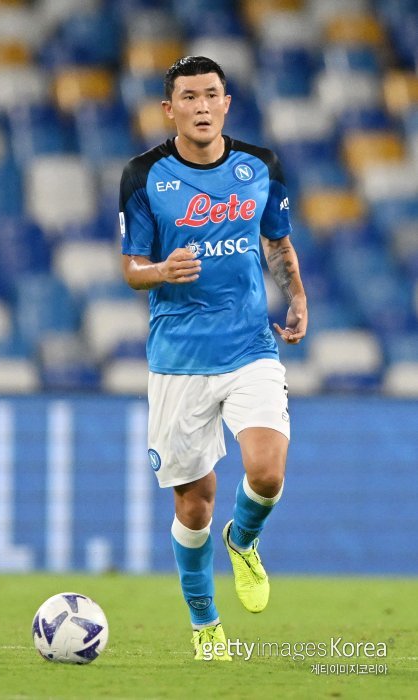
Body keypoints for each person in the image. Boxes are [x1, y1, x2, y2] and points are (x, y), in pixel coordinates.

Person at [119, 56, 308, 661]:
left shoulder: (260, 166)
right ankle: (206, 625)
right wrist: (159, 270)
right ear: (168, 108)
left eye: (211, 95)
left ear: (227, 103)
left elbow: (277, 240)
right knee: (193, 503)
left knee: (267, 471)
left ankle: (244, 541)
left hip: (250, 346)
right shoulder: (143, 175)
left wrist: (296, 296)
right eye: (189, 97)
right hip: (178, 358)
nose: (201, 106)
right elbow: (131, 268)